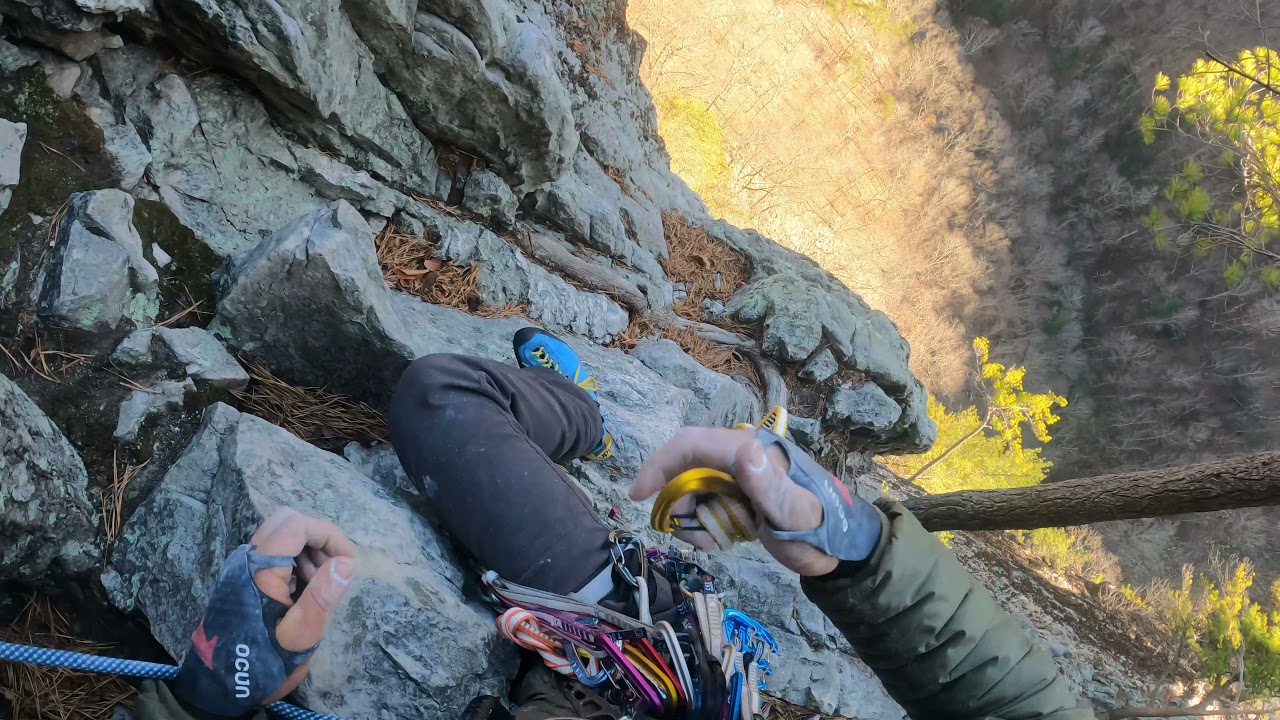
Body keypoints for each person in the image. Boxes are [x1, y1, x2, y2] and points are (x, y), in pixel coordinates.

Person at [132, 328, 1092, 720]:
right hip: (636, 653)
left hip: (608, 673)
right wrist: (858, 551)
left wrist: (197, 704)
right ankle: (577, 409)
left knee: (443, 397)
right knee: (439, 396)